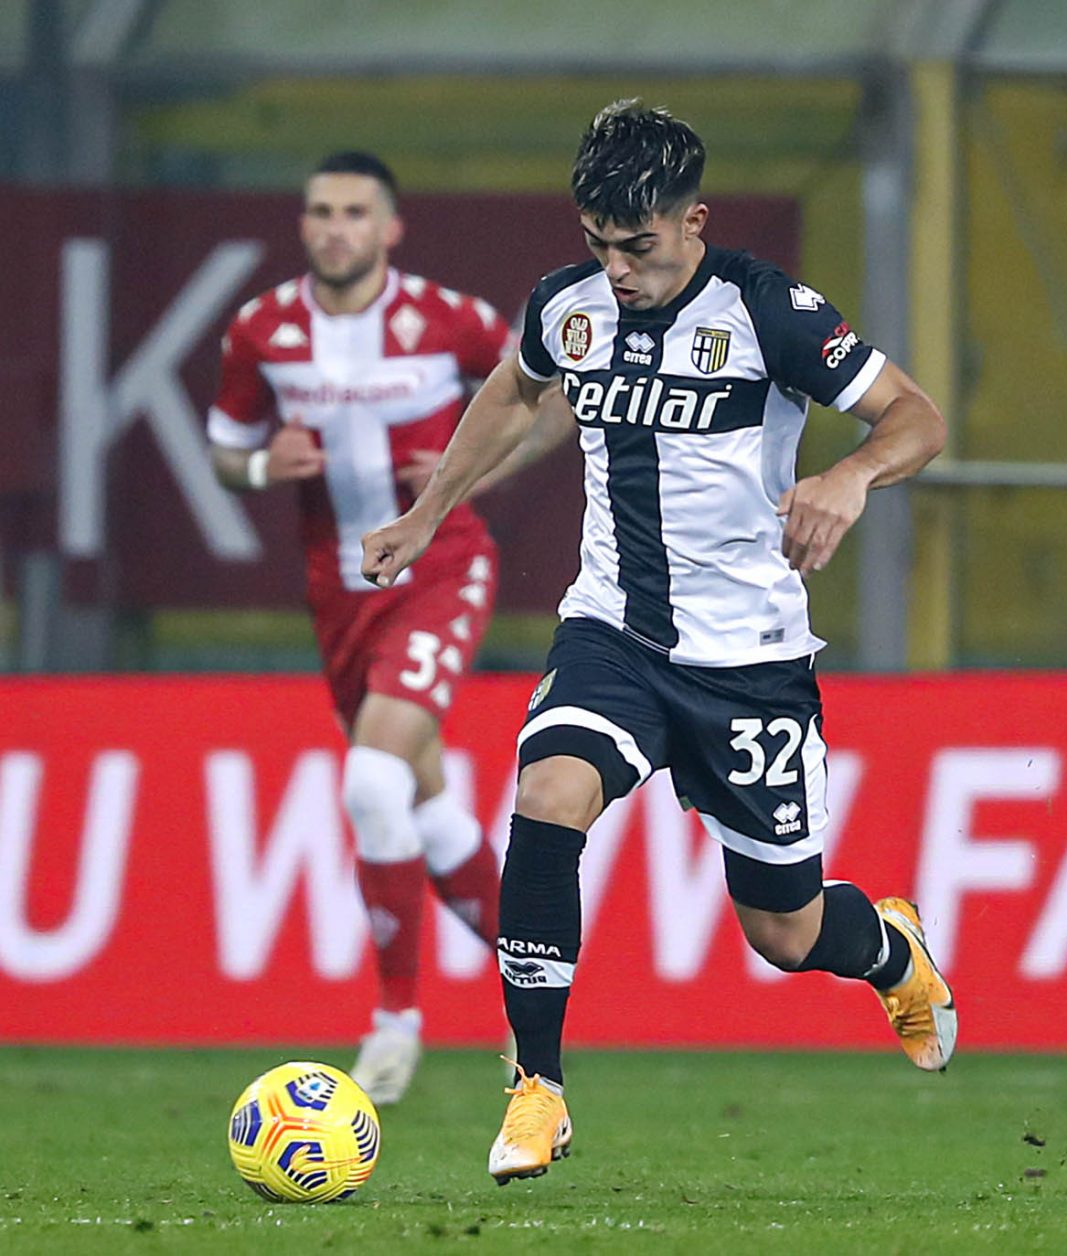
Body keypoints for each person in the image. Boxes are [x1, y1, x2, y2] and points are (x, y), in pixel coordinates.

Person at [359, 100, 955, 1185]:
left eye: (637, 245)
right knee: (548, 795)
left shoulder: (769, 310)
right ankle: (537, 1086)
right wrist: (429, 511)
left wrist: (849, 475)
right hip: (616, 632)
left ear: (693, 222)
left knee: (784, 933)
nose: (617, 269)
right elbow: (514, 389)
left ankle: (887, 950)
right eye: (599, 243)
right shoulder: (568, 304)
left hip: (750, 662)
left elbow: (915, 415)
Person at [207, 151, 568, 1104]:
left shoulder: (448, 320)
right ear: (304, 224)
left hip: (439, 572)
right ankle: (535, 984)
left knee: (371, 781)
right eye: (321, 211)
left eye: (354, 213)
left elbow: (555, 399)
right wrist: (262, 467)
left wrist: (465, 483)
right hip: (338, 593)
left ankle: (394, 1024)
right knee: (424, 804)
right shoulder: (262, 329)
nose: (336, 229)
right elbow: (224, 450)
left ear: (390, 228)